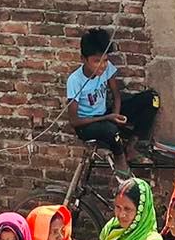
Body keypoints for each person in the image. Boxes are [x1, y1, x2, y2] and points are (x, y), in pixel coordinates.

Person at [66, 29, 158, 171]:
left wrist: (115, 114)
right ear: (83, 59)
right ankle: (120, 160)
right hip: (86, 125)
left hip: (106, 115)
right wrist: (109, 118)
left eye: (105, 60)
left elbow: (116, 95)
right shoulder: (75, 81)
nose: (102, 65)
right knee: (110, 129)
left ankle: (131, 146)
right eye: (97, 61)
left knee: (152, 99)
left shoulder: (107, 69)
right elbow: (74, 121)